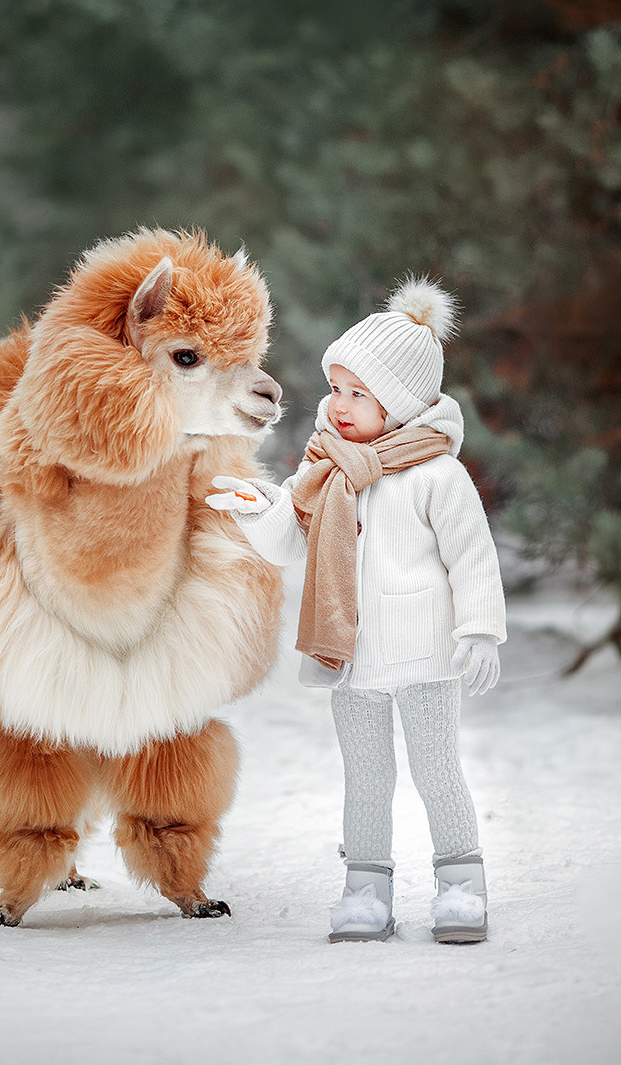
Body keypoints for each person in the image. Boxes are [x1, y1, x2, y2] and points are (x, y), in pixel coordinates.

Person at [206, 276, 506, 943]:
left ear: (398, 403)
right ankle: (365, 890)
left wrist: (480, 629)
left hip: (426, 655)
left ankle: (460, 881)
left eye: (357, 393)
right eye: (335, 388)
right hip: (352, 659)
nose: (338, 405)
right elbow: (290, 538)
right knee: (365, 779)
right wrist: (260, 511)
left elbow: (472, 556)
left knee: (436, 769)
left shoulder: (435, 475)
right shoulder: (323, 470)